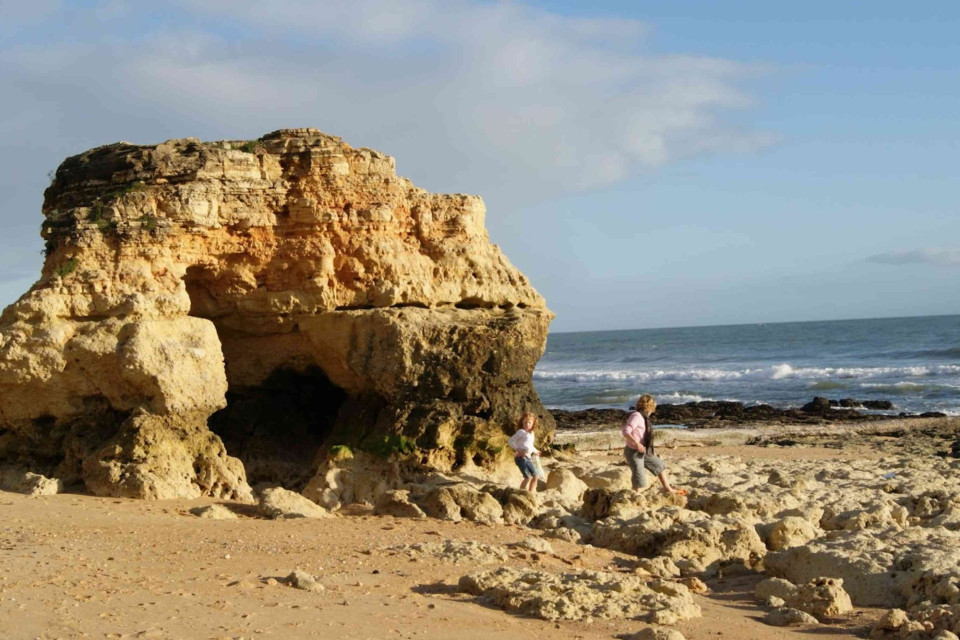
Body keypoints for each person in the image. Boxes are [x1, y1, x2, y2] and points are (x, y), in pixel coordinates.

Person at [622, 394, 686, 495]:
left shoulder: (644, 417)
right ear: (649, 406)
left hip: (645, 450)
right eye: (653, 407)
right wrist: (637, 443)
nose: (654, 410)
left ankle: (667, 488)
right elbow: (626, 431)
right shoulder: (637, 416)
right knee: (639, 477)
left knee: (659, 465)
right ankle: (636, 495)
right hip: (634, 452)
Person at [508, 412, 541, 493]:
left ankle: (530, 492)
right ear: (522, 422)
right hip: (520, 458)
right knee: (527, 477)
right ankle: (521, 493)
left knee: (536, 476)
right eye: (525, 422)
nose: (527, 424)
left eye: (529, 422)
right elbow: (510, 441)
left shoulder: (532, 433)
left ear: (533, 423)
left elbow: (530, 445)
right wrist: (518, 449)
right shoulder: (521, 432)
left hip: (528, 458)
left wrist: (536, 451)